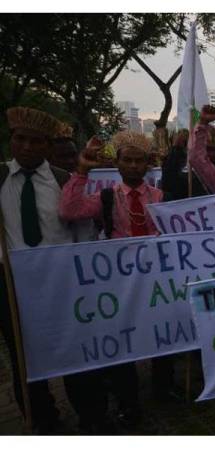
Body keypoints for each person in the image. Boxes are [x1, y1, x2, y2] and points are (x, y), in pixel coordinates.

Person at [59, 130, 164, 429]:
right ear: (117, 164)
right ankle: (128, 403)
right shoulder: (105, 197)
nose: (133, 166)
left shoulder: (159, 197)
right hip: (119, 282)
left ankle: (163, 385)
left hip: (154, 277)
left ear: (147, 165)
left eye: (139, 161)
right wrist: (82, 170)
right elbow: (68, 210)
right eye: (127, 160)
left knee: (161, 330)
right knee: (124, 343)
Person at [0, 107, 73, 434]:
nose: (27, 147)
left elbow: (82, 235)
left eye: (36, 141)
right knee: (24, 359)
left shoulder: (64, 181)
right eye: (20, 139)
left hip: (62, 282)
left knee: (74, 350)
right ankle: (44, 422)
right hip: (13, 284)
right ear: (11, 141)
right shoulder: (0, 178)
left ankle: (91, 413)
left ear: (48, 146)